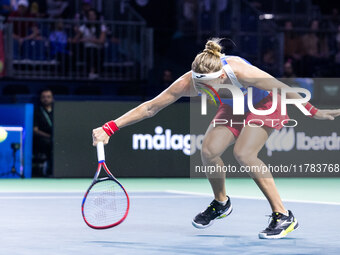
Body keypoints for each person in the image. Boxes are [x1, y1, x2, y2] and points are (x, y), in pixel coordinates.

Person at [92, 39, 340, 239]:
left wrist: (315, 112)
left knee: (244, 153)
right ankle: (221, 203)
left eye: (208, 87)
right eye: (200, 87)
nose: (203, 92)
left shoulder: (242, 72)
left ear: (222, 77)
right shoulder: (189, 82)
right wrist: (110, 127)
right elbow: (150, 108)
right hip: (234, 106)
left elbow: (283, 88)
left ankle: (283, 215)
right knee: (209, 150)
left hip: (266, 102)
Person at [75, 8, 106, 79]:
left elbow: (101, 41)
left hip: (98, 48)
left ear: (96, 16)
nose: (91, 17)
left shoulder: (101, 27)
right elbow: (76, 39)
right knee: (90, 51)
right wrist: (81, 39)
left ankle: (95, 72)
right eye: (90, 15)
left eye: (93, 15)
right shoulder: (83, 27)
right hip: (86, 48)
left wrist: (88, 39)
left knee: (96, 52)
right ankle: (91, 73)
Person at [33, 89, 54, 177]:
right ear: (40, 99)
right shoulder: (37, 111)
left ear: (52, 98)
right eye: (44, 97)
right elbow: (35, 130)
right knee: (49, 143)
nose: (46, 99)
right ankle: (49, 168)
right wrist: (49, 136)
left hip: (57, 137)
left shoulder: (57, 110)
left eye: (48, 97)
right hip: (42, 138)